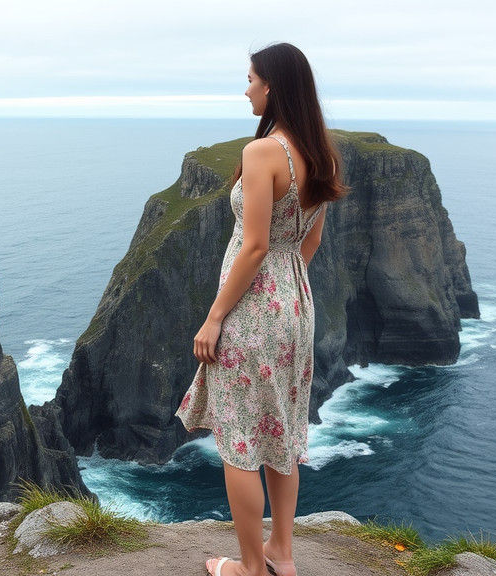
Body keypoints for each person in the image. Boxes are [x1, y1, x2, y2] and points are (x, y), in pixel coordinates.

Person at [174, 42, 349, 576]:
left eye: (250, 78)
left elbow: (252, 247)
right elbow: (308, 244)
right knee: (283, 431)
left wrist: (214, 317)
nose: (245, 88)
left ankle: (249, 567)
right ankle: (282, 554)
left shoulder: (262, 153)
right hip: (295, 302)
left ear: (271, 85)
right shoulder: (320, 152)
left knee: (241, 439)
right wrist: (284, 283)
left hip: (253, 308)